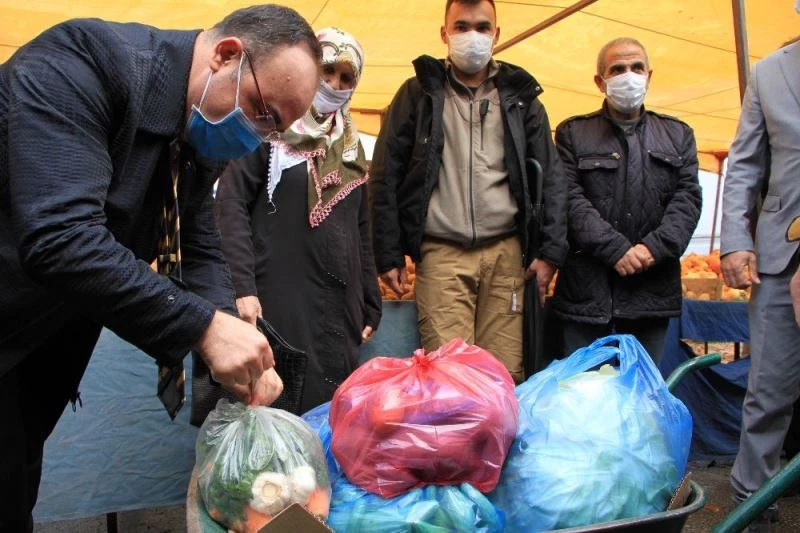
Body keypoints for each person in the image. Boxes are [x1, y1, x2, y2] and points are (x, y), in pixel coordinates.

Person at [0, 5, 321, 531]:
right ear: (226, 55)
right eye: (262, 111)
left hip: (41, 343)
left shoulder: (197, 132)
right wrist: (203, 327)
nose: (257, 136)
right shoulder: (83, 65)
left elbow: (197, 240)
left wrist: (230, 333)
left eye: (274, 128)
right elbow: (61, 239)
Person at [369, 0, 567, 383]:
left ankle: (501, 445)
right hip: (441, 253)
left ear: (496, 34)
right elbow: (385, 173)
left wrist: (550, 252)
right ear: (444, 34)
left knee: (506, 372)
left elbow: (553, 177)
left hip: (507, 254)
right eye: (461, 26)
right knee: (449, 374)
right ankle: (454, 445)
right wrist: (388, 253)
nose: (471, 35)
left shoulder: (520, 97)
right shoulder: (417, 94)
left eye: (481, 26)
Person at [215, 27, 382, 414]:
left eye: (346, 78)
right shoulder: (267, 132)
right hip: (275, 300)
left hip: (338, 309)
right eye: (326, 71)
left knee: (324, 424)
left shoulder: (352, 151)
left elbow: (361, 232)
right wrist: (242, 285)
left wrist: (370, 302)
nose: (334, 84)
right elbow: (230, 204)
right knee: (271, 411)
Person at [550, 37, 701, 364]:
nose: (628, 75)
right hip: (587, 294)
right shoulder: (573, 133)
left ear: (649, 75)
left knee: (641, 401)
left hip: (651, 291)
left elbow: (687, 200)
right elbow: (568, 198)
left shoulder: (678, 134)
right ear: (600, 82)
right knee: (582, 396)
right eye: (617, 69)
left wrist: (653, 249)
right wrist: (614, 249)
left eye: (636, 67)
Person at [721, 21, 800, 527]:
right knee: (769, 386)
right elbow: (745, 163)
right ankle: (754, 497)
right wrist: (734, 241)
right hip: (778, 256)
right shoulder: (769, 73)